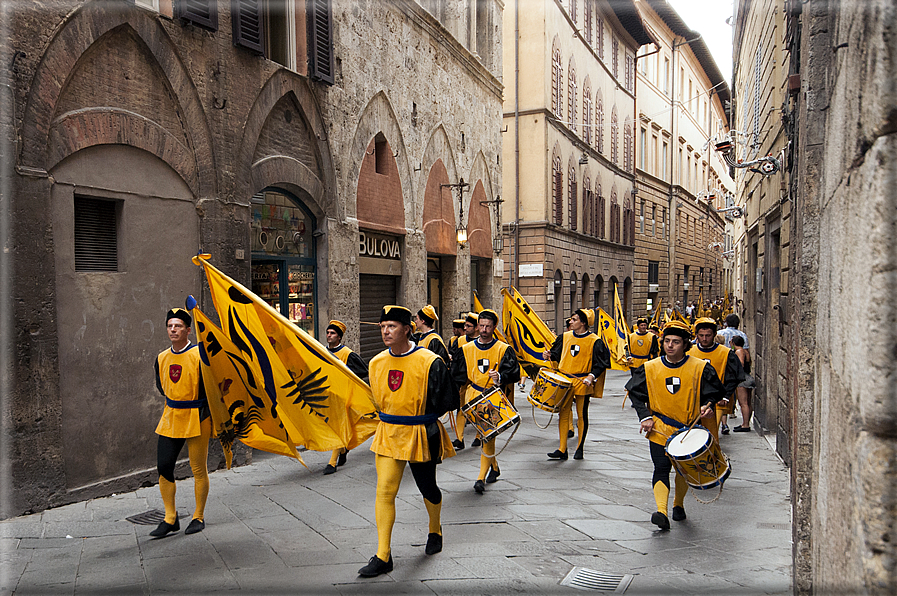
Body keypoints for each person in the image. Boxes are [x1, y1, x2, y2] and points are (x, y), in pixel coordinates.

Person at [358, 306, 458, 578]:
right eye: (382, 327)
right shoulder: (376, 362)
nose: (385, 332)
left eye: (391, 326)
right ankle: (383, 555)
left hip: (420, 433)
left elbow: (448, 400)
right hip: (389, 433)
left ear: (407, 329)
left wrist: (422, 418)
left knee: (428, 488)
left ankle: (435, 528)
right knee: (384, 491)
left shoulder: (430, 361)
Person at [625, 320, 726, 529]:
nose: (670, 345)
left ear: (685, 344)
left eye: (676, 342)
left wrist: (708, 404)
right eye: (667, 341)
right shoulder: (650, 368)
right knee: (660, 468)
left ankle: (678, 504)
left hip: (688, 428)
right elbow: (635, 393)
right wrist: (645, 416)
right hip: (660, 428)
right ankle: (661, 511)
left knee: (682, 469)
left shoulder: (700, 367)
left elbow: (715, 391)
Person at [150, 308, 212, 537]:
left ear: (188, 330)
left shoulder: (200, 355)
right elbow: (161, 385)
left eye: (178, 326)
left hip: (198, 415)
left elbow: (212, 387)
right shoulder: (161, 357)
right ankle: (170, 517)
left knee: (198, 468)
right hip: (172, 415)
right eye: (169, 326)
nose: (173, 329)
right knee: (164, 466)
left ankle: (198, 516)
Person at [451, 310, 521, 494]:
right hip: (473, 395)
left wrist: (500, 376)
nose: (483, 329)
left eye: (487, 326)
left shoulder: (503, 349)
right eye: (481, 325)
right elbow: (457, 375)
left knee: (488, 436)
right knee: (485, 434)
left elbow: (514, 373)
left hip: (493, 396)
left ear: (494, 327)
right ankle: (495, 468)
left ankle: (480, 478)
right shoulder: (466, 349)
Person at [541, 308, 610, 460]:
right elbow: (556, 354)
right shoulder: (564, 337)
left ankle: (579, 447)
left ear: (583, 323)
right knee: (563, 413)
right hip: (564, 380)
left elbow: (602, 363)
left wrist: (591, 376)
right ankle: (562, 448)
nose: (571, 322)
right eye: (571, 319)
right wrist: (548, 355)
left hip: (582, 382)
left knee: (581, 414)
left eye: (574, 319)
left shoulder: (595, 341)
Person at [687, 318, 745, 439]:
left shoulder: (726, 353)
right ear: (696, 335)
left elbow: (733, 377)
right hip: (693, 398)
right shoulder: (689, 352)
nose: (704, 339)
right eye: (701, 335)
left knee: (711, 432)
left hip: (717, 399)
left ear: (714, 335)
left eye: (707, 335)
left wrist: (726, 396)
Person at [323, 320, 369, 475]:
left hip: (343, 397)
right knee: (332, 426)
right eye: (328, 333)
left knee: (339, 426)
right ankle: (343, 450)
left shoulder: (347, 354)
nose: (329, 336)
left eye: (333, 333)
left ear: (339, 337)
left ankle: (332, 461)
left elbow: (363, 372)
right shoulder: (322, 351)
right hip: (327, 396)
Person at [450, 312, 480, 450]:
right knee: (461, 409)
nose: (466, 328)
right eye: (465, 325)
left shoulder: (482, 341)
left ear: (476, 327)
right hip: (463, 380)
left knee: (478, 409)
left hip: (478, 382)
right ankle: (459, 438)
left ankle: (479, 436)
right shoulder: (460, 340)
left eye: (468, 326)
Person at [730, 335, 755, 432]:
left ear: (733, 343)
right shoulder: (746, 351)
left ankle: (745, 425)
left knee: (743, 403)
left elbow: (741, 363)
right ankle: (746, 422)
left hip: (742, 379)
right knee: (748, 402)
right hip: (747, 377)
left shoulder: (739, 351)